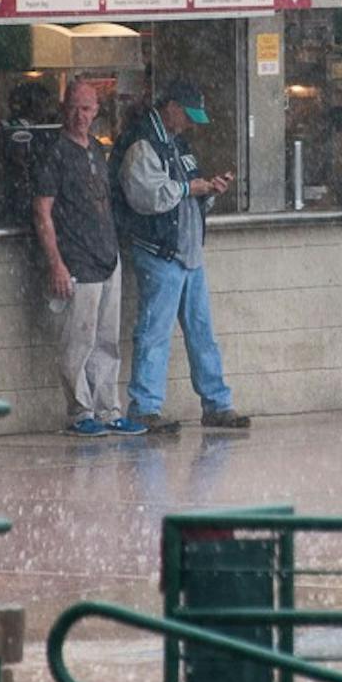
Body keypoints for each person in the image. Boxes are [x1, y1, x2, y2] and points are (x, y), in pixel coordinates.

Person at [112, 80, 250, 431]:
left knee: (202, 332)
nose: (190, 124)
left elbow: (184, 193)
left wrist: (208, 190)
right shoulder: (143, 143)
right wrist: (192, 188)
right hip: (159, 252)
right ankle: (144, 407)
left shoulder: (177, 143)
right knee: (154, 332)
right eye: (187, 116)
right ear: (170, 107)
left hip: (188, 252)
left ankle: (217, 403)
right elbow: (146, 197)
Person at [32, 81, 146, 437]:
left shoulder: (96, 148)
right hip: (76, 259)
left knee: (106, 340)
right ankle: (80, 411)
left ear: (97, 110)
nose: (80, 116)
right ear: (63, 108)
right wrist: (56, 263)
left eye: (86, 108)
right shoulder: (54, 152)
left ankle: (108, 410)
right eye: (74, 108)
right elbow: (42, 212)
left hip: (107, 256)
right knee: (77, 342)